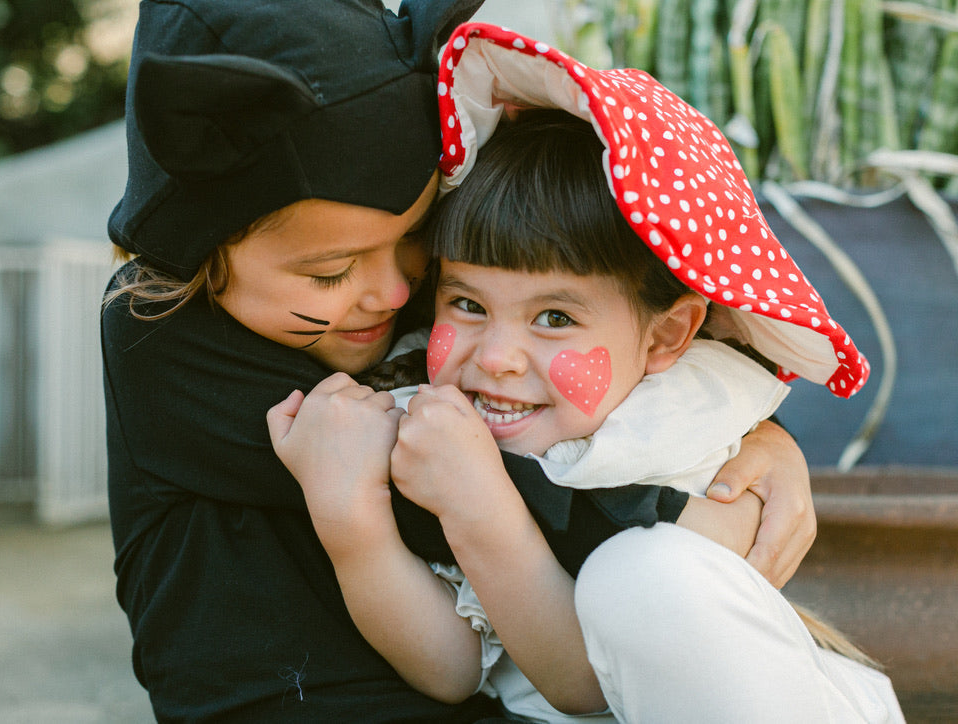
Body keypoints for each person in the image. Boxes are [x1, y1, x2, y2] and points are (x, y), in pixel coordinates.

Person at [102, 2, 815, 721]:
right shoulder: (154, 328)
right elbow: (468, 478)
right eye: (329, 273)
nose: (394, 289)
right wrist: (679, 514)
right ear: (203, 256)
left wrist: (754, 446)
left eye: (415, 238)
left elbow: (601, 372)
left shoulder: (429, 307)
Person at [378, 108, 902, 722]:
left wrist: (477, 505)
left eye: (555, 318)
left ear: (665, 337)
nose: (495, 359)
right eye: (467, 303)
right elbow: (450, 667)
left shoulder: (675, 423)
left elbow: (580, 681)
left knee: (635, 575)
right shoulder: (422, 412)